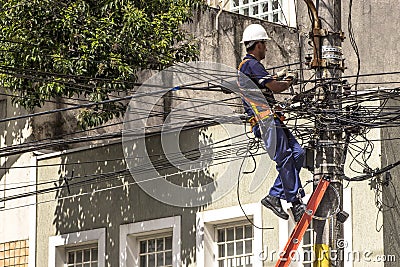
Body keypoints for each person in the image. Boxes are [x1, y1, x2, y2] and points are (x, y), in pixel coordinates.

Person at [238, 24, 306, 222]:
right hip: (265, 121)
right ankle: (295, 201)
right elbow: (275, 88)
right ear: (258, 44)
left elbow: (267, 84)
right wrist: (289, 81)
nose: (266, 48)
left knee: (298, 153)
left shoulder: (252, 67)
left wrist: (278, 78)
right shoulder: (250, 64)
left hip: (272, 119)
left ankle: (275, 195)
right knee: (285, 157)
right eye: (264, 44)